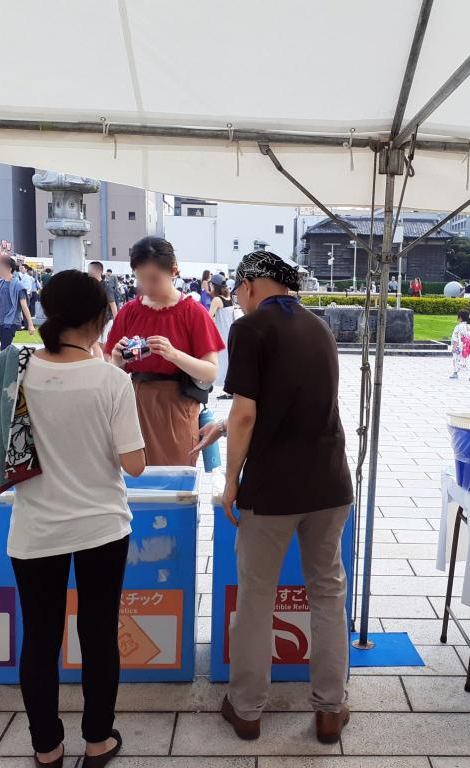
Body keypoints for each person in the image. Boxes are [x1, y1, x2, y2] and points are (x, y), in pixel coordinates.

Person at [0, 270, 145, 768]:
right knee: (98, 635)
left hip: (34, 530)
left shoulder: (16, 369)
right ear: (98, 319)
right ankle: (98, 740)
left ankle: (46, 747)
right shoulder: (112, 379)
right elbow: (134, 464)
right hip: (101, 527)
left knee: (41, 637)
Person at [194, 250, 353, 745]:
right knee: (327, 591)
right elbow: (291, 402)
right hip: (329, 484)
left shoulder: (252, 328)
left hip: (273, 490)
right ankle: (330, 709)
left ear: (251, 286)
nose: (238, 301)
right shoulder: (319, 326)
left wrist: (232, 480)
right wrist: (224, 425)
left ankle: (246, 710)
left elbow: (246, 412)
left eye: (238, 292)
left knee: (257, 598)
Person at [106, 237, 223, 466]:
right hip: (134, 404)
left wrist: (173, 354)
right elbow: (110, 365)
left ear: (173, 271)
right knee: (133, 479)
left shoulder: (192, 312)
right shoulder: (130, 311)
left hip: (177, 406)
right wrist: (118, 360)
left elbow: (210, 372)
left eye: (154, 279)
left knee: (175, 478)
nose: (147, 287)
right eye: (141, 279)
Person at [0, 257, 36, 350]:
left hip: (12, 321)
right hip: (3, 321)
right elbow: (0, 304)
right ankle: (13, 360)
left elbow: (24, 306)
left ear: (9, 268)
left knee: (4, 348)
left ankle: (5, 363)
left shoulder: (18, 285)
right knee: (6, 347)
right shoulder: (1, 283)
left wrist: (30, 324)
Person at [209, 274, 239, 399]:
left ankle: (223, 387)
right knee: (228, 360)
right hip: (231, 332)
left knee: (221, 360)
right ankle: (229, 388)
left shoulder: (217, 300)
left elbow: (208, 317)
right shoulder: (229, 297)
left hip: (222, 334)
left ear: (214, 286)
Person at [450, 309, 470, 381]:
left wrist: (454, 347)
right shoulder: (469, 326)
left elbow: (455, 338)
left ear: (460, 317)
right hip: (467, 347)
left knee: (456, 359)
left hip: (459, 347)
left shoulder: (458, 327)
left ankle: (456, 373)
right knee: (466, 359)